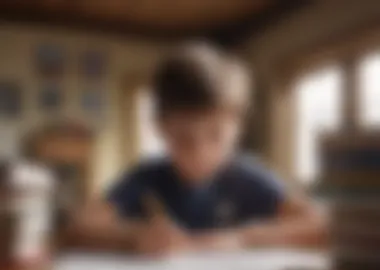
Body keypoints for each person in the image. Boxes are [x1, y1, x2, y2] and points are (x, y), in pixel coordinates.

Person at [75, 44, 327, 255]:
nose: (200, 152)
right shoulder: (146, 177)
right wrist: (132, 236)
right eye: (183, 138)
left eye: (216, 136)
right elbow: (80, 226)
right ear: (161, 128)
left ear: (238, 128)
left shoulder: (248, 177)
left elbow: (320, 224)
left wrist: (242, 238)